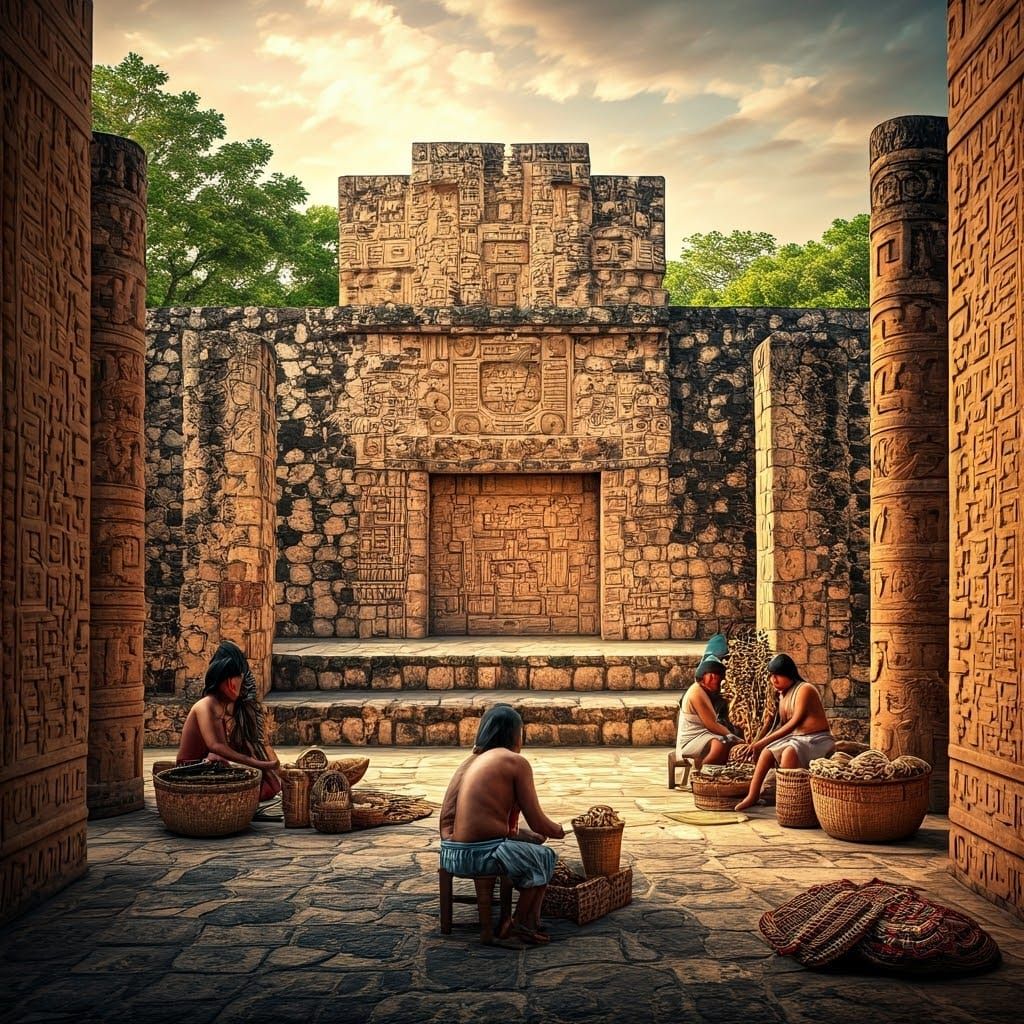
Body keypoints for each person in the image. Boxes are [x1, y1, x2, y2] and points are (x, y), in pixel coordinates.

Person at [439, 704, 564, 946]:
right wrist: (558, 830)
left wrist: (523, 835)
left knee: (533, 848)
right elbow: (538, 821)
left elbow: (480, 821)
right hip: (480, 853)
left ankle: (529, 922)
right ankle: (517, 923)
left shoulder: (472, 762)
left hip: (453, 850)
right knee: (544, 857)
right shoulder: (514, 762)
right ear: (516, 735)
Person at [176, 640, 282, 807]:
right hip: (191, 770)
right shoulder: (205, 705)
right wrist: (258, 764)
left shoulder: (224, 707)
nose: (235, 686)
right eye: (232, 680)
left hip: (209, 767)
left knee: (263, 781)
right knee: (217, 758)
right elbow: (217, 746)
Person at [735, 653, 835, 811]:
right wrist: (756, 743)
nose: (774, 680)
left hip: (816, 740)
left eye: (778, 675)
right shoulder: (782, 696)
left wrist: (760, 743)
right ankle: (752, 796)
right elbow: (776, 725)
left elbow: (794, 723)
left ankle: (788, 801)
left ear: (789, 674)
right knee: (767, 752)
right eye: (772, 676)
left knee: (789, 752)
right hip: (796, 739)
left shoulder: (805, 689)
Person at [674, 655, 742, 768]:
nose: (714, 680)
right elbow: (711, 725)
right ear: (704, 677)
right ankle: (700, 771)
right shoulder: (696, 692)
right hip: (692, 738)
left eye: (717, 677)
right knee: (718, 746)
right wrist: (733, 737)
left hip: (704, 734)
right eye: (711, 676)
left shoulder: (706, 692)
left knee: (726, 745)